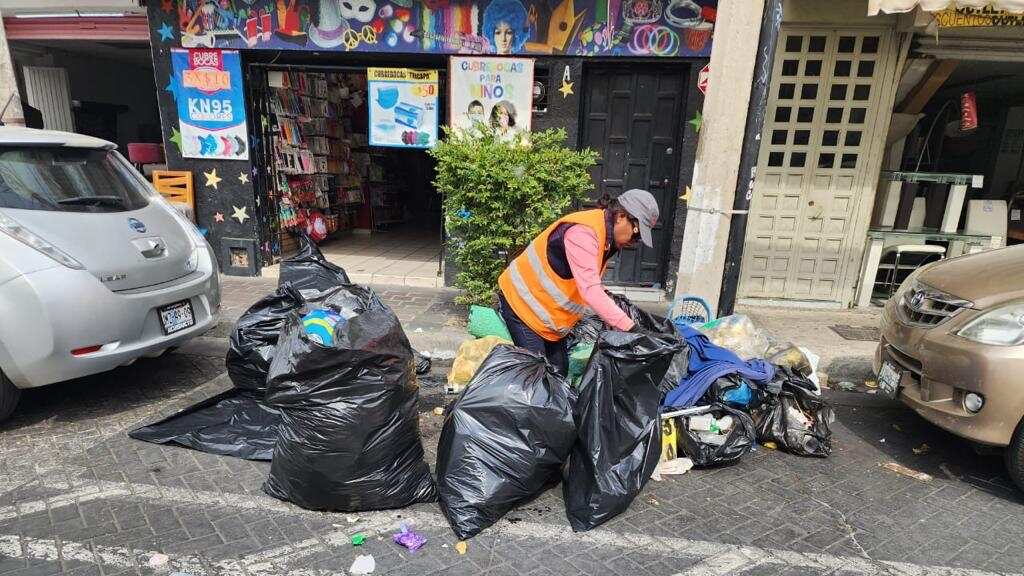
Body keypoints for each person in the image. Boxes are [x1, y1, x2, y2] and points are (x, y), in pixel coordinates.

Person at [497, 189, 660, 375]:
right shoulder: (584, 233)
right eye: (636, 233)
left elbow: (587, 279)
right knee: (537, 380)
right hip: (522, 306)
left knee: (558, 373)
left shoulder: (605, 237)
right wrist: (632, 328)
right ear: (622, 216)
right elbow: (590, 290)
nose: (634, 241)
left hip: (549, 318)